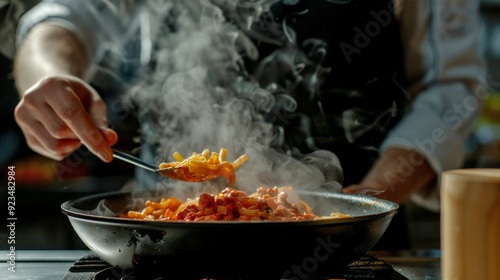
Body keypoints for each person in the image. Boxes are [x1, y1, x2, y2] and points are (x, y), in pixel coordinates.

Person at [12, 0, 487, 250]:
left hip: (345, 239)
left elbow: (452, 89)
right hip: (163, 243)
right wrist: (52, 77)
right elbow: (61, 20)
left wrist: (363, 205)